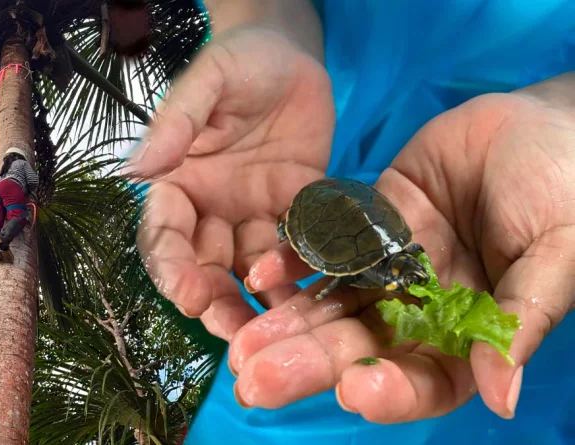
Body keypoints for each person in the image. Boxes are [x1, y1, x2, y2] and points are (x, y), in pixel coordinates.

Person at [124, 0, 575, 443]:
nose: (411, 279)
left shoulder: (403, 254)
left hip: (508, 148)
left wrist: (566, 112)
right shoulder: (363, 264)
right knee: (274, 356)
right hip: (310, 121)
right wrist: (269, 16)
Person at [0, 146, 38, 263]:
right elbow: (33, 180)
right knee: (20, 215)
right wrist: (29, 191)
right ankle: (3, 239)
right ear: (20, 156)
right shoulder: (21, 162)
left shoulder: (1, 171)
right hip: (10, 186)